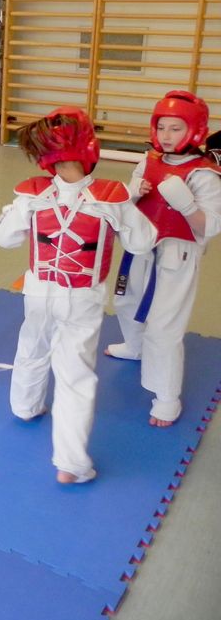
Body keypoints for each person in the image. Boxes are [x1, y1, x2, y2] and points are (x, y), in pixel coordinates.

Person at [0, 107, 156, 484]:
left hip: (38, 291)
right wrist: (126, 209)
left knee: (32, 345)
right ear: (89, 149)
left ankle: (25, 406)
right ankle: (71, 464)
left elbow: (3, 238)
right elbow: (143, 241)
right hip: (81, 297)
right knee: (74, 375)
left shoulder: (33, 194)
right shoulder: (111, 197)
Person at [105, 91, 221, 427]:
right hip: (140, 244)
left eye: (176, 128)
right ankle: (134, 346)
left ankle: (167, 398)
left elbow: (210, 226)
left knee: (164, 327)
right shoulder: (148, 161)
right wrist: (131, 194)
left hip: (177, 254)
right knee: (126, 301)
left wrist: (187, 205)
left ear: (194, 131)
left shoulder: (204, 174)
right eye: (162, 127)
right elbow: (127, 203)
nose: (166, 136)